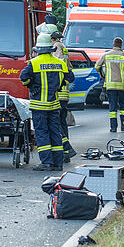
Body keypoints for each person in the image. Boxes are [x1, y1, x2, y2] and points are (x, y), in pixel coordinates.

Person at [20, 33, 74, 171]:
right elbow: (70, 77)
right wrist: (61, 83)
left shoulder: (34, 63)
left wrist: (31, 84)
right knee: (55, 132)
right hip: (54, 104)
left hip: (39, 105)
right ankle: (57, 163)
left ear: (38, 49)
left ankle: (46, 162)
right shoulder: (60, 63)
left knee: (42, 133)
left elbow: (23, 77)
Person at [95, 37, 124, 133]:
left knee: (112, 107)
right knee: (123, 106)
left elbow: (97, 66)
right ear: (121, 45)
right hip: (122, 86)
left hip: (110, 85)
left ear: (113, 44)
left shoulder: (106, 55)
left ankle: (113, 127)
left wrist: (103, 74)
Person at [51, 31, 76, 162]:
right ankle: (65, 151)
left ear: (52, 38)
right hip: (64, 92)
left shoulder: (57, 48)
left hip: (57, 92)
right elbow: (69, 68)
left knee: (56, 123)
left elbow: (56, 66)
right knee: (62, 122)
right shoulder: (64, 48)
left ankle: (65, 148)